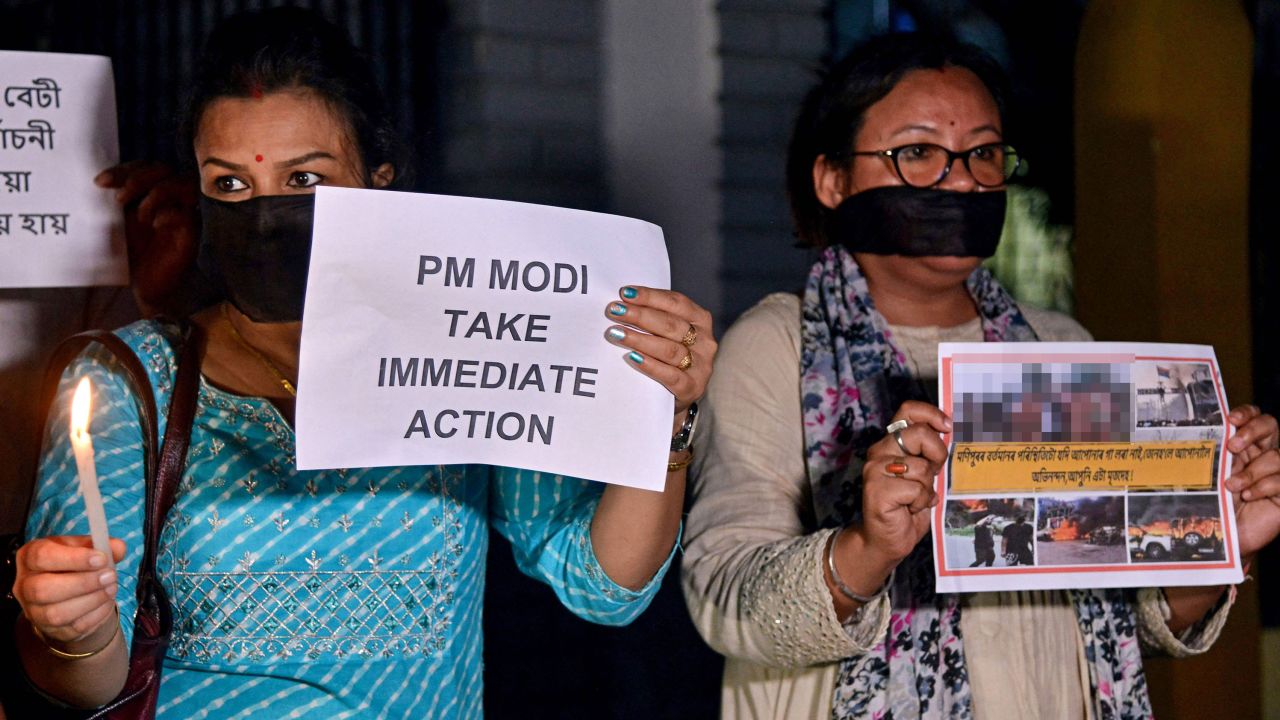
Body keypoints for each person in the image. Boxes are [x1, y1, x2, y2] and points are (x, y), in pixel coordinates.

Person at [10, 9, 715, 718]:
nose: (264, 213)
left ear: (379, 184)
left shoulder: (465, 349)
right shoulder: (130, 382)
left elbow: (604, 586)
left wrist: (668, 412)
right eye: (229, 185)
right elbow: (84, 685)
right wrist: (74, 629)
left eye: (306, 180)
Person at [681, 33, 1280, 720]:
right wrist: (864, 551)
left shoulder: (1061, 346)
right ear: (833, 179)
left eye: (984, 153)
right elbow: (723, 595)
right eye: (918, 154)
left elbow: (1124, 620)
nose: (961, 178)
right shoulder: (776, 347)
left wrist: (1215, 536)